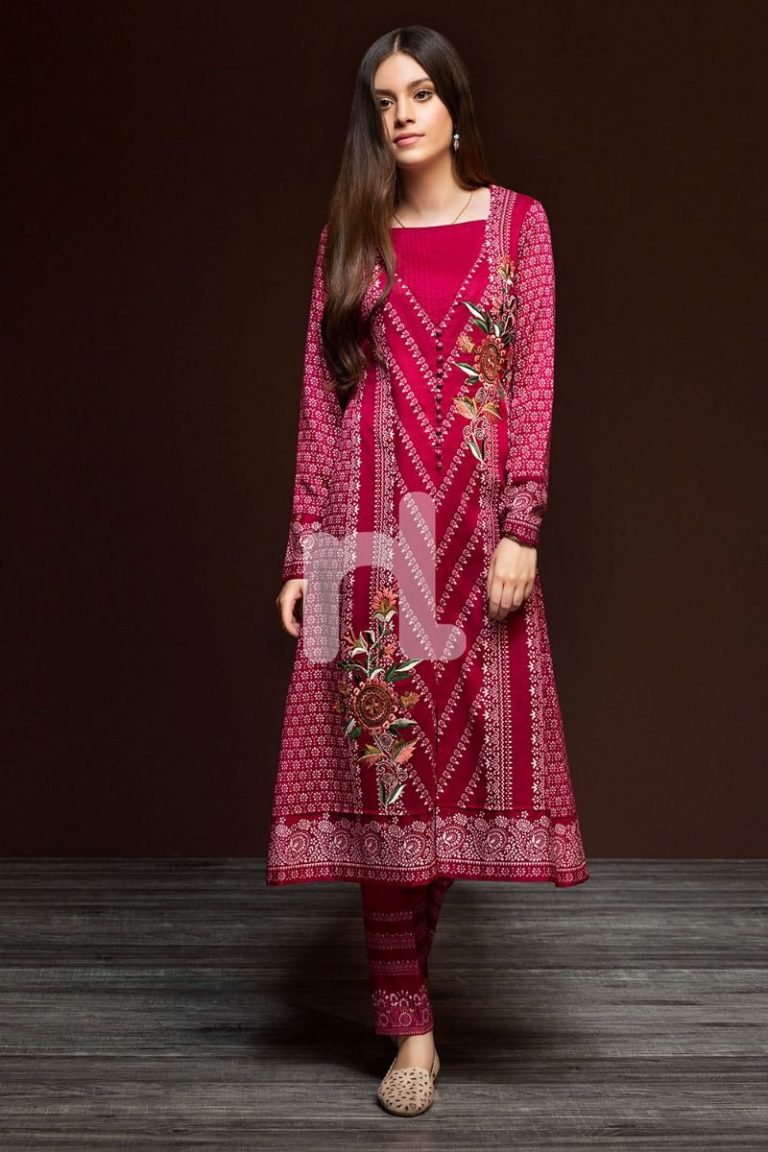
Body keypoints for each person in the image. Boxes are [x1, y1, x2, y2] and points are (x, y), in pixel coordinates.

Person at [267, 25, 590, 1116]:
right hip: (366, 531)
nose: (401, 115)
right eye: (383, 100)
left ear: (455, 106)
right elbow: (322, 401)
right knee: (383, 775)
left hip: (470, 532)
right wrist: (301, 546)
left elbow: (532, 381)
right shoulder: (349, 238)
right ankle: (408, 1025)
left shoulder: (519, 226)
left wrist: (522, 525)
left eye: (419, 94)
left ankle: (408, 995)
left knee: (446, 774)